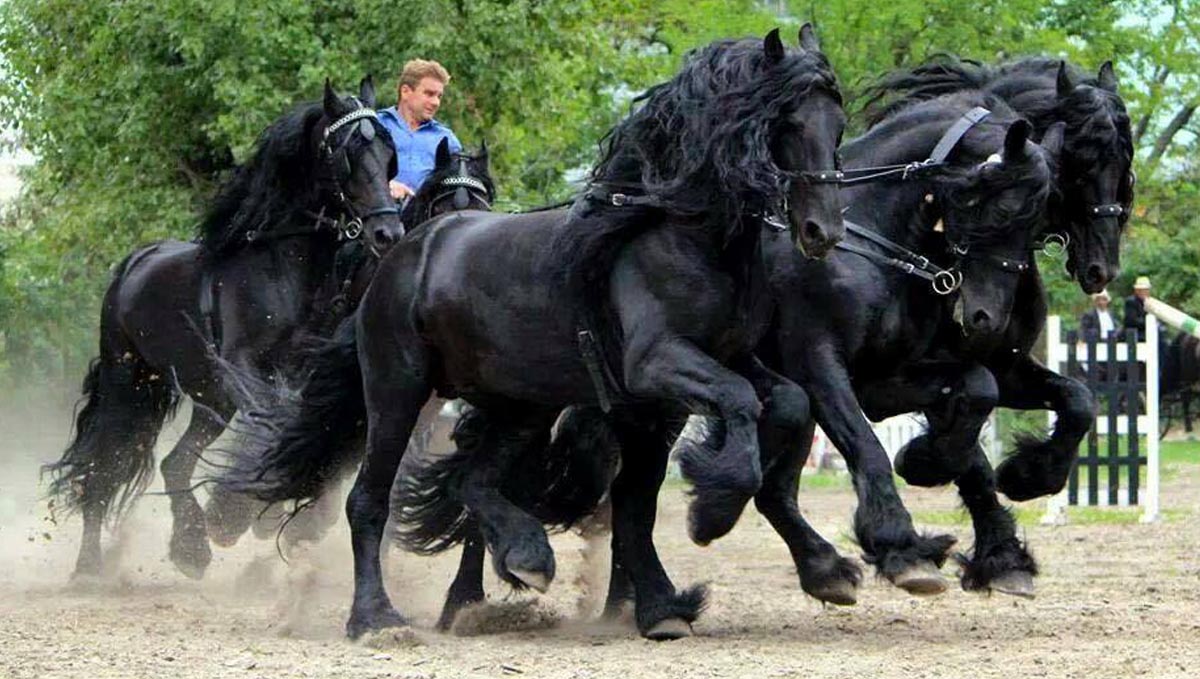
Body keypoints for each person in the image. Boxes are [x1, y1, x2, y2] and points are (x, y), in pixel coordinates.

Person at [378, 59, 463, 202]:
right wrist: (386, 185)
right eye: (429, 94)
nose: (436, 102)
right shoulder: (376, 125)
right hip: (378, 215)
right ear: (405, 91)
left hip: (428, 220)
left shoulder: (447, 139)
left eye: (439, 96)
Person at [1124, 276, 1152, 341]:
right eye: (1141, 290)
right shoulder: (1131, 302)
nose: (1144, 292)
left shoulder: (1149, 302)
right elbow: (1132, 321)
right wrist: (1149, 323)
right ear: (1136, 291)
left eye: (1146, 290)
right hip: (1136, 334)